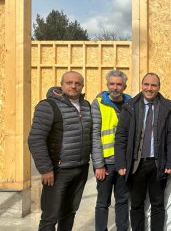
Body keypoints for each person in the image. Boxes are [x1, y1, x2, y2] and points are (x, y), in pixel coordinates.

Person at [114, 72, 171, 231]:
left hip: (158, 163)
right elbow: (121, 136)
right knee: (136, 204)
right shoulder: (130, 107)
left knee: (158, 204)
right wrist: (121, 163)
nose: (149, 88)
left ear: (159, 87)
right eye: (146, 84)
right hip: (136, 164)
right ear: (142, 86)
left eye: (153, 85)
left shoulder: (167, 108)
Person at [28, 71, 92, 231]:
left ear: (82, 86)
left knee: (69, 212)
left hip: (81, 168)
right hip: (57, 171)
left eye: (78, 83)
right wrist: (45, 169)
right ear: (61, 85)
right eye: (69, 82)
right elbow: (35, 139)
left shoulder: (86, 105)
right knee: (50, 217)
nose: (73, 86)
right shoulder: (48, 106)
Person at [91, 70, 131, 231]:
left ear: (124, 86)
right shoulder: (99, 103)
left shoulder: (131, 103)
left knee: (122, 200)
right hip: (105, 164)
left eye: (119, 84)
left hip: (123, 163)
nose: (115, 87)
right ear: (107, 85)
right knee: (103, 202)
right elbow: (94, 134)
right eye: (112, 84)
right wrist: (99, 164)